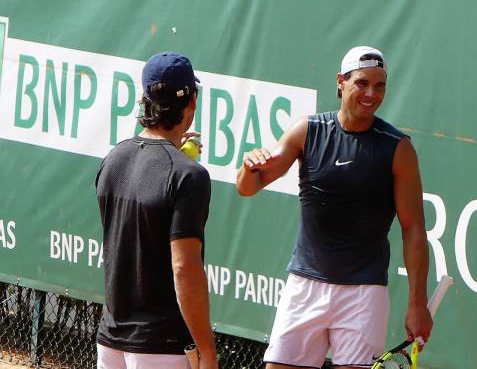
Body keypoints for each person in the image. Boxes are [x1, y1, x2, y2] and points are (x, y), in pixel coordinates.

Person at [236, 46, 433, 369]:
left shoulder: (398, 149)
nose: (371, 94)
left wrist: (417, 303)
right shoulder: (307, 131)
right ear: (341, 82)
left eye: (380, 85)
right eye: (362, 83)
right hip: (305, 285)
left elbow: (413, 228)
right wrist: (249, 167)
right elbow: (248, 187)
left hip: (364, 294)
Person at [95, 52, 218, 369]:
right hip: (162, 346)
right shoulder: (188, 175)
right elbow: (184, 270)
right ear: (191, 102)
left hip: (110, 340)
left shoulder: (114, 159)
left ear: (144, 99)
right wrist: (206, 350)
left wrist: (173, 152)